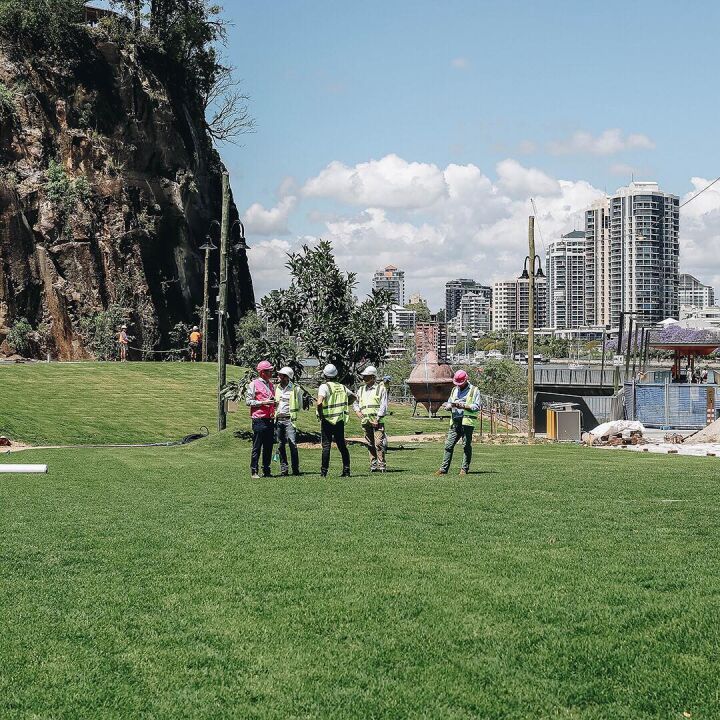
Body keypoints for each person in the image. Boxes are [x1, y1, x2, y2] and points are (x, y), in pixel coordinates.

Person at [435, 369, 482, 476]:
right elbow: (450, 402)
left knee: (466, 446)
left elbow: (476, 406)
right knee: (448, 445)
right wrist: (448, 406)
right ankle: (443, 469)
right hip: (455, 421)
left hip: (467, 422)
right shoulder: (454, 390)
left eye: (461, 383)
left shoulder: (474, 390)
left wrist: (464, 405)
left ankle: (464, 469)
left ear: (466, 380)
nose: (459, 385)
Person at [316, 363, 355, 477]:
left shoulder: (324, 387)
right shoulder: (342, 387)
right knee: (342, 445)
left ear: (325, 375)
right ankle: (346, 471)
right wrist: (346, 404)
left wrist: (320, 413)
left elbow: (319, 402)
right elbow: (353, 397)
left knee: (326, 446)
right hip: (339, 420)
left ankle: (324, 472)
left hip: (327, 420)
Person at [353, 365, 388, 472]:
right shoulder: (361, 390)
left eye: (366, 376)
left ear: (373, 377)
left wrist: (377, 419)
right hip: (365, 421)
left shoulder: (381, 389)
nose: (363, 378)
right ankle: (373, 465)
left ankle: (381, 465)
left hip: (377, 421)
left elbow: (383, 405)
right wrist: (357, 411)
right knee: (370, 443)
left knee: (378, 443)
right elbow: (355, 402)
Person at [245, 360, 276, 479]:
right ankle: (254, 470)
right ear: (262, 372)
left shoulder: (271, 385)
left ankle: (266, 470)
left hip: (270, 419)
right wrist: (263, 403)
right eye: (269, 371)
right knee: (257, 446)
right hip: (259, 419)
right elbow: (248, 401)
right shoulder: (254, 384)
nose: (271, 373)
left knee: (268, 446)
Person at [274, 366, 302, 476]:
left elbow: (299, 405)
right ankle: (284, 469)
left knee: (292, 444)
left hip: (290, 420)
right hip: (279, 420)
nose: (278, 376)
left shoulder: (296, 389)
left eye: (281, 375)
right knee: (280, 445)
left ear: (286, 377)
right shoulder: (277, 388)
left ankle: (295, 469)